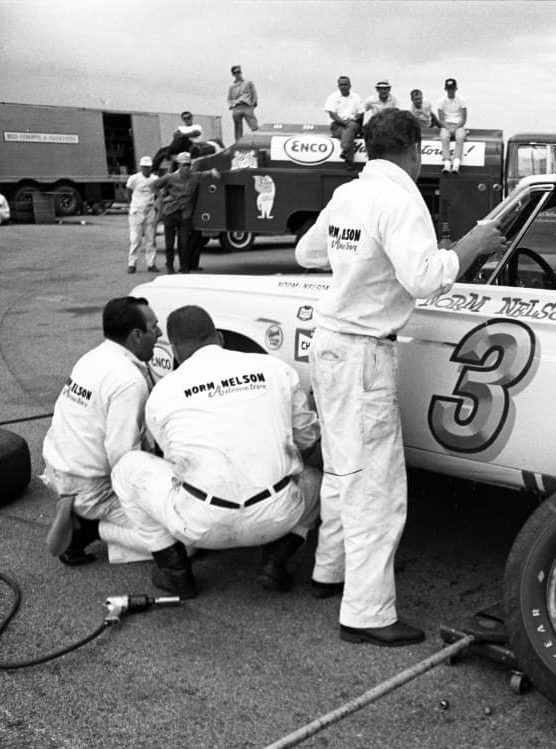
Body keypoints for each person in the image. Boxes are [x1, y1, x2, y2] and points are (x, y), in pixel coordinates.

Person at [294, 108, 506, 646]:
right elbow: (425, 279)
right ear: (415, 149)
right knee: (377, 490)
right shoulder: (401, 198)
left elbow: (308, 252)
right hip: (363, 352)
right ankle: (366, 615)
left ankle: (330, 572)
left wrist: (360, 267)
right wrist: (472, 246)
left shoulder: (350, 194)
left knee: (346, 470)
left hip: (331, 345)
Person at [111, 305, 323, 598]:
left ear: (174, 349)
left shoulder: (162, 392)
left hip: (199, 525)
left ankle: (175, 571)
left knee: (126, 468)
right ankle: (277, 559)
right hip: (277, 515)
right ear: (220, 338)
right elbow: (308, 435)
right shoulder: (276, 369)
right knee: (318, 481)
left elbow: (174, 463)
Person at [41, 297, 161, 567]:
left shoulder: (93, 357)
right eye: (154, 327)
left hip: (60, 468)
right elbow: (123, 455)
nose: (160, 333)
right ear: (136, 335)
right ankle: (89, 528)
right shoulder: (128, 380)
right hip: (93, 487)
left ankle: (82, 513)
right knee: (181, 542)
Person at [153, 152, 220, 273]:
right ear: (179, 165)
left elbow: (207, 173)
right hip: (170, 212)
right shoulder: (170, 177)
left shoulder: (194, 176)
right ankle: (169, 266)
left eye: (188, 165)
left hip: (184, 214)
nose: (186, 167)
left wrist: (213, 172)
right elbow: (153, 185)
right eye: (184, 165)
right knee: (169, 243)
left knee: (184, 242)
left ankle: (184, 267)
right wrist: (161, 196)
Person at [126, 156, 160, 274]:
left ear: (151, 167)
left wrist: (155, 207)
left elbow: (157, 193)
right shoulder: (134, 178)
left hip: (150, 211)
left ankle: (151, 264)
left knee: (151, 239)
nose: (146, 169)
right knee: (135, 239)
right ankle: (132, 264)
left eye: (148, 167)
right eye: (144, 167)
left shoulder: (155, 179)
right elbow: (129, 191)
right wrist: (132, 204)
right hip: (137, 211)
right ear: (141, 167)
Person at [323, 75, 364, 167]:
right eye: (341, 85)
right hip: (337, 125)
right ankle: (349, 160)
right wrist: (343, 122)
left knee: (351, 127)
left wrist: (353, 119)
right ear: (338, 86)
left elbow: (361, 113)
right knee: (349, 132)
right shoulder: (333, 97)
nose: (343, 86)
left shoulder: (356, 97)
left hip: (353, 123)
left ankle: (345, 149)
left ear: (350, 86)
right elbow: (332, 114)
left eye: (345, 84)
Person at [436, 78, 467, 173]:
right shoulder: (441, 101)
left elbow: (464, 119)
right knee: (444, 137)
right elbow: (441, 119)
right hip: (446, 125)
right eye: (449, 89)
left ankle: (456, 164)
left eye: (452, 88)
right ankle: (447, 164)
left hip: (458, 125)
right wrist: (448, 128)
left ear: (456, 89)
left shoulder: (462, 100)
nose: (450, 91)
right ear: (445, 89)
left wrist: (456, 127)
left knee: (460, 137)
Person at [227, 64, 259, 140]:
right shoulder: (232, 86)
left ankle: (257, 139)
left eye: (239, 72)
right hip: (237, 107)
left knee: (254, 125)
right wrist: (232, 105)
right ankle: (238, 142)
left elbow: (254, 93)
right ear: (233, 74)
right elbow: (229, 98)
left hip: (247, 106)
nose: (237, 74)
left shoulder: (248, 82)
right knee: (238, 128)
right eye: (235, 73)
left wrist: (253, 105)